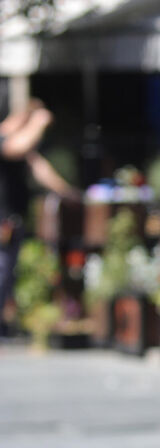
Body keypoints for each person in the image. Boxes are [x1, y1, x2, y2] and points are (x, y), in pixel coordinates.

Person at [0, 98, 77, 337]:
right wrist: (38, 122)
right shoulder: (6, 139)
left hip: (13, 218)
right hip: (2, 218)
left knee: (7, 274)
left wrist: (68, 192)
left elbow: (41, 169)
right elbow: (17, 147)